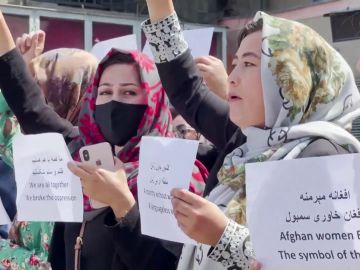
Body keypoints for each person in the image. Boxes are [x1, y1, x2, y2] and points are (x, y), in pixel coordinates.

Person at [142, 1, 360, 269]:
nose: (232, 77)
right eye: (235, 63)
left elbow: (323, 261)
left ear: (291, 79)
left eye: (249, 63)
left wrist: (223, 238)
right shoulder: (249, 142)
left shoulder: (323, 157)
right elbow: (187, 89)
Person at [0, 11, 206, 269]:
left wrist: (122, 204)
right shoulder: (81, 151)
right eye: (105, 92)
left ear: (153, 101)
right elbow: (29, 106)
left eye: (129, 92)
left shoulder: (176, 173)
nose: (114, 102)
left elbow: (167, 263)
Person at [0, 32, 98, 269]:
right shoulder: (38, 149)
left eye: (39, 86)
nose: (33, 97)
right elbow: (4, 127)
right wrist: (20, 67)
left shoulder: (92, 163)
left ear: (68, 90)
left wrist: (7, 254)